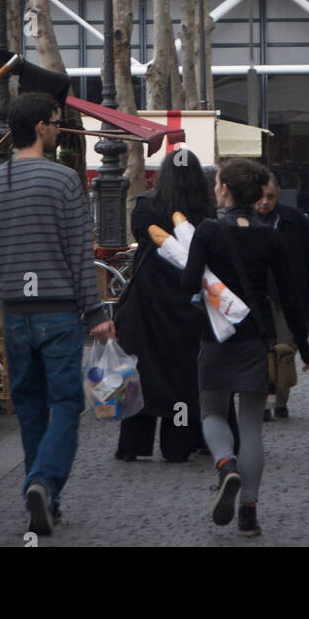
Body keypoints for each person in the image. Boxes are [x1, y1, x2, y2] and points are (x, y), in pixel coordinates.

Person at [0, 91, 114, 536]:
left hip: (14, 313)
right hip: (59, 312)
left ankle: (43, 497)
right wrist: (96, 313)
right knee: (65, 402)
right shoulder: (64, 181)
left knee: (27, 405)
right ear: (41, 128)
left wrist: (1, 260)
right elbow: (80, 255)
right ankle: (43, 482)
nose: (60, 127)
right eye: (56, 121)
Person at [180, 157, 309, 539]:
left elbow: (188, 283)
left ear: (223, 189)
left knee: (211, 413)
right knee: (253, 424)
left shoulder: (207, 232)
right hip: (258, 337)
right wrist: (303, 346)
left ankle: (226, 465)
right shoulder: (271, 236)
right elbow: (290, 295)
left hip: (216, 337)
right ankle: (249, 515)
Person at [114, 148, 213, 463]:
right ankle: (179, 444)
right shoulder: (206, 213)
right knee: (184, 377)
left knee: (142, 375)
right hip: (190, 306)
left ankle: (133, 445)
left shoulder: (145, 209)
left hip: (148, 305)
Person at [254, 175, 309, 420]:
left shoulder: (295, 219)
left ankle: (280, 401)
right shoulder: (245, 221)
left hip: (291, 295)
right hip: (258, 294)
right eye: (260, 197)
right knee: (261, 350)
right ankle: (264, 401)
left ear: (278, 196)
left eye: (270, 197)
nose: (264, 202)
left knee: (285, 349)